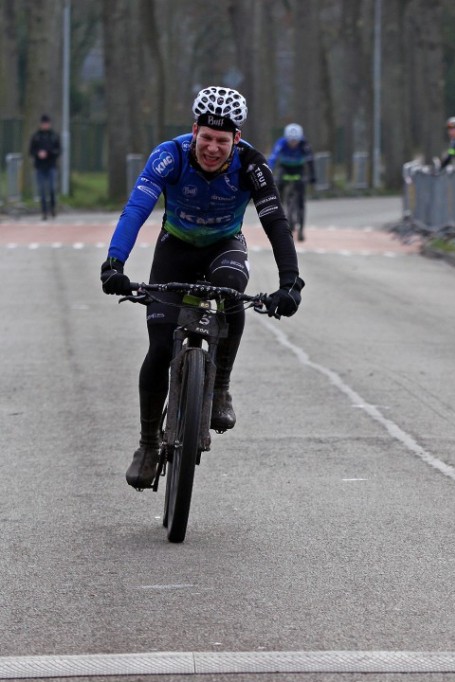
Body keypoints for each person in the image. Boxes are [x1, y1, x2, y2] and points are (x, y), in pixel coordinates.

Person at [99, 86, 305, 489]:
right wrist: (114, 263)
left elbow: (276, 222)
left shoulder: (251, 165)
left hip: (224, 247)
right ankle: (146, 444)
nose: (212, 148)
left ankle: (221, 387)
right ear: (194, 131)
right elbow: (136, 209)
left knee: (232, 293)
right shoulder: (169, 155)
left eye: (222, 141)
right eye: (206, 138)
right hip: (174, 248)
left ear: (236, 140)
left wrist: (290, 282)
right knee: (159, 349)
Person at [267, 123, 316, 241]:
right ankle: (281, 207)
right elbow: (273, 158)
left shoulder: (304, 144)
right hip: (285, 168)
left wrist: (312, 176)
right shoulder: (281, 143)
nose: (293, 144)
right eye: (291, 142)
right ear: (286, 139)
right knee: (279, 187)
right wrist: (268, 172)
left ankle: (301, 229)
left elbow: (310, 161)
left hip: (299, 170)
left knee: (300, 200)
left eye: (296, 142)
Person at [29, 114, 60, 220]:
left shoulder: (54, 136)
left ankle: (52, 208)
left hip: (51, 165)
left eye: (47, 123)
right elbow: (31, 151)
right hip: (40, 166)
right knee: (42, 190)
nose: (45, 125)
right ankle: (44, 211)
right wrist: (38, 153)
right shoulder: (36, 136)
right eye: (44, 123)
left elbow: (58, 150)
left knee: (51, 188)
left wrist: (49, 153)